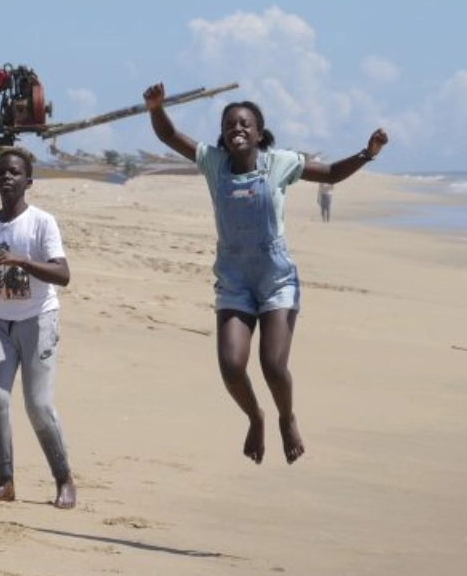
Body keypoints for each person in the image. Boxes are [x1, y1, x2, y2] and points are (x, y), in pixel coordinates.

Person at [142, 83, 390, 464]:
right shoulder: (213, 162)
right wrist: (156, 108)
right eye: (230, 125)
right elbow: (170, 135)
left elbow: (331, 174)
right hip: (235, 281)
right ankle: (255, 416)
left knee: (273, 366)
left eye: (245, 124)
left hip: (276, 281)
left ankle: (286, 417)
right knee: (231, 366)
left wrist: (367, 153)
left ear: (260, 133)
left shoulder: (280, 163)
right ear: (223, 135)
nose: (237, 129)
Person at [0, 147, 77, 508]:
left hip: (38, 320)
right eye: (1, 172)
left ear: (28, 182)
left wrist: (21, 260)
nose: (7, 177)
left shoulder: (42, 222)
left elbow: (63, 274)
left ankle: (64, 479)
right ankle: (5, 481)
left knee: (38, 404)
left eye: (14, 173)